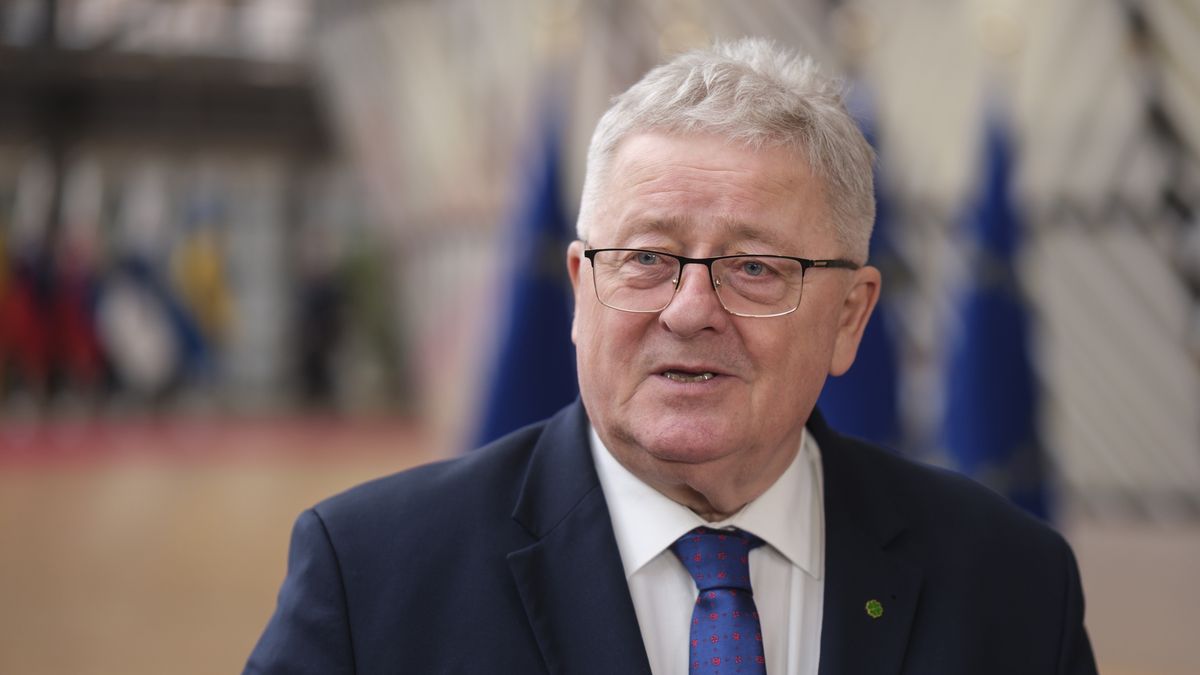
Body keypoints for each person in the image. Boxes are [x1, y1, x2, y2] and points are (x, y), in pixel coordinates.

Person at [245, 38, 1097, 675]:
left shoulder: (1013, 585)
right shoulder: (371, 577)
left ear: (850, 317)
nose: (690, 311)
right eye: (646, 259)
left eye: (756, 268)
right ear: (580, 290)